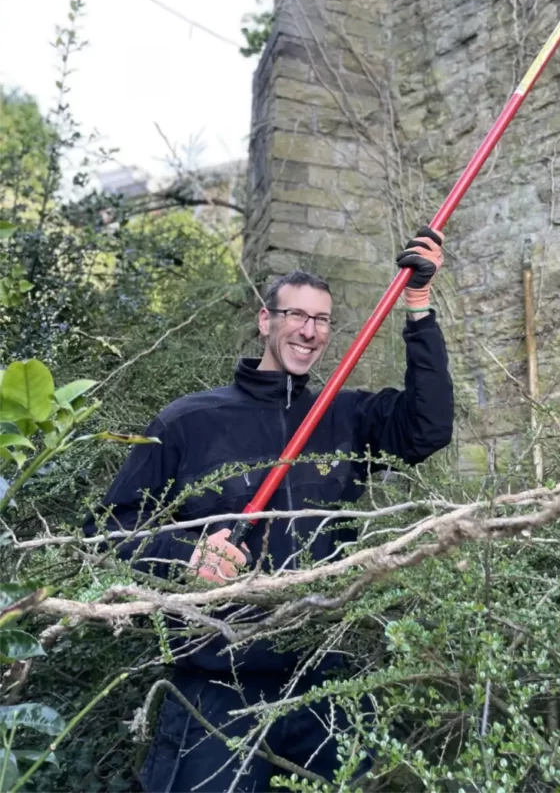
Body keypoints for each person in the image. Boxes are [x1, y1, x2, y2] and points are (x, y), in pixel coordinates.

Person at [84, 226, 453, 792]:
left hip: (320, 680)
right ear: (266, 320)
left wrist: (420, 307)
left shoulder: (346, 418)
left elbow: (427, 429)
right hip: (215, 680)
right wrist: (185, 554)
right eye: (297, 315)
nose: (309, 331)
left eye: (322, 320)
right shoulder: (190, 421)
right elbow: (109, 532)